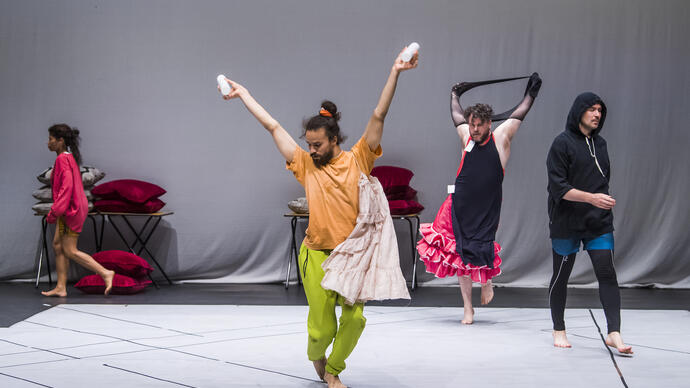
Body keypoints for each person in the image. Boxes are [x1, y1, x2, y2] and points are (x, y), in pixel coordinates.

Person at [219, 47, 418, 388]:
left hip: (352, 258)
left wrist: (395, 72)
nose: (311, 150)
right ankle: (317, 353)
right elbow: (272, 127)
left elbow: (379, 115)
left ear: (334, 139)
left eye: (317, 145)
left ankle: (333, 369)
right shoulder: (306, 166)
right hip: (317, 256)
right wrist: (245, 95)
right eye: (308, 144)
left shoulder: (358, 159)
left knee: (354, 321)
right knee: (323, 327)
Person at [417, 74, 541, 324]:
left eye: (479, 125)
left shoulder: (502, 138)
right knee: (461, 255)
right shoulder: (467, 139)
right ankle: (467, 308)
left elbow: (520, 113)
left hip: (486, 208)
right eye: (471, 124)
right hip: (458, 206)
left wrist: (531, 93)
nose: (473, 129)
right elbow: (456, 116)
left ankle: (487, 282)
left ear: (488, 125)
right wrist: (455, 94)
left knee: (482, 248)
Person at [546, 92, 632, 354]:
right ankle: (558, 328)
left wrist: (599, 203)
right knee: (561, 276)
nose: (597, 114)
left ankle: (614, 333)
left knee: (607, 273)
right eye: (592, 109)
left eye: (600, 110)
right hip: (566, 220)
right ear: (579, 111)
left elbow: (601, 181)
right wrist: (591, 199)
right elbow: (558, 188)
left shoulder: (601, 144)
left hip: (598, 222)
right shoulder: (561, 144)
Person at [42, 124, 115, 297]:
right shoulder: (66, 158)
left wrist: (54, 213)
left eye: (51, 139)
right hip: (69, 208)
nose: (48, 143)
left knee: (70, 250)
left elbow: (66, 190)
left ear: (60, 141)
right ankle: (61, 287)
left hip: (71, 210)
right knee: (58, 246)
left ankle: (105, 273)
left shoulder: (63, 160)